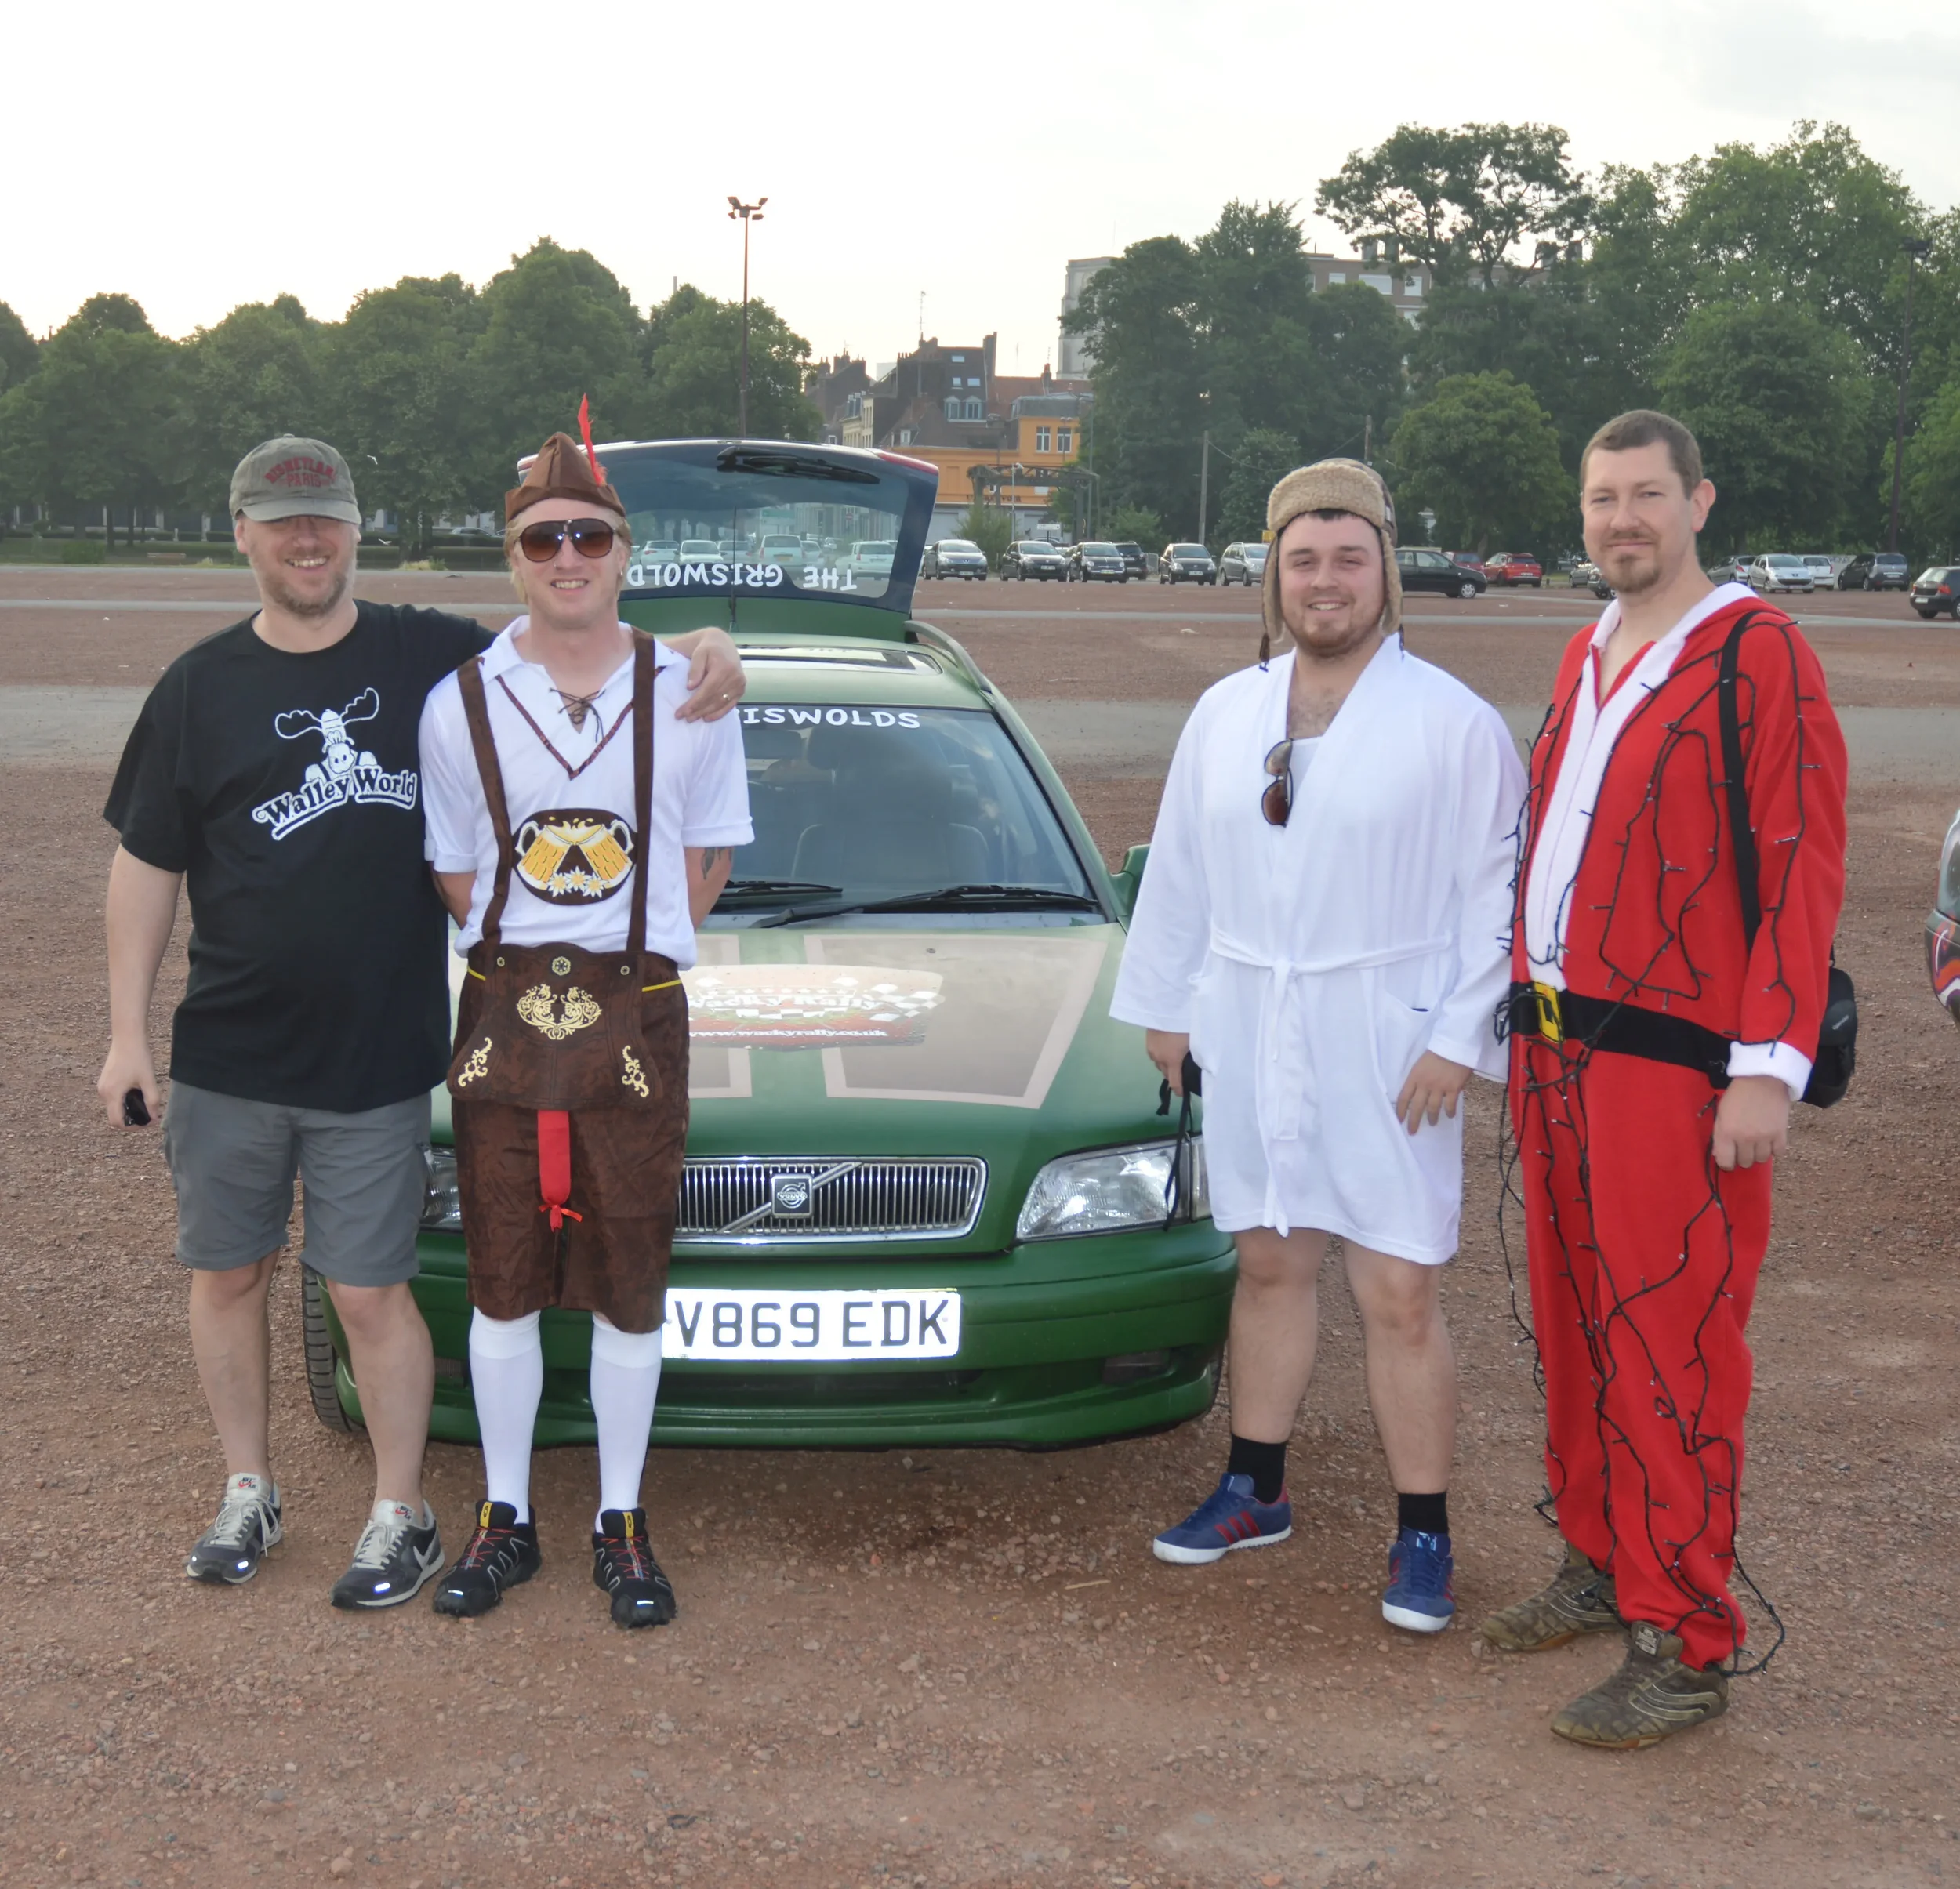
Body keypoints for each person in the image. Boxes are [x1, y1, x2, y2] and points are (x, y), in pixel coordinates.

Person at [96, 434, 744, 1609]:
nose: (307, 541)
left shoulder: (430, 655)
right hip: (247, 1041)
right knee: (254, 1272)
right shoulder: (214, 686)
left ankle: (463, 1512)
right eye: (283, 521)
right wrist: (125, 1034)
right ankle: (271, 1488)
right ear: (241, 531)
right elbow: (153, 865)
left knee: (400, 1288)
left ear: (355, 529)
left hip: (398, 1048)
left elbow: (655, 775)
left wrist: (710, 645)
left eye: (327, 520)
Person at [1484, 410, 1848, 1747]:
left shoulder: (1758, 652)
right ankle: (1602, 1560)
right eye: (1600, 497)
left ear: (1701, 500)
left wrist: (1768, 1068)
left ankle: (1686, 1633)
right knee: (1579, 1328)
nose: (1621, 518)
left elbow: (1801, 862)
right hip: (1558, 1047)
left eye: (1646, 494)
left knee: (1673, 1343)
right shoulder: (1591, 650)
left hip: (1677, 1068)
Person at [1110, 459, 1525, 1632]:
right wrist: (1168, 1003)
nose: (1326, 581)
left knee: (1396, 1284)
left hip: (1391, 1035)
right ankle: (1257, 1484)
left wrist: (1458, 1035)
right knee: (1270, 1258)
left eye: (1349, 557)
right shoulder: (1226, 713)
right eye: (1304, 559)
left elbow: (1498, 895)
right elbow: (1179, 866)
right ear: (1273, 574)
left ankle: (1425, 1531)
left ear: (1387, 570)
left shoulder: (1452, 724)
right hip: (1250, 1017)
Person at [419, 431, 751, 1629]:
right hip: (504, 1003)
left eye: (589, 534)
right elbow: (457, 872)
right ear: (511, 560)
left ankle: (621, 1518)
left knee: (629, 1272)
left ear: (624, 552)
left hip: (641, 1008)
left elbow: (705, 860)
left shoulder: (693, 689)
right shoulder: (459, 703)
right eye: (541, 538)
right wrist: (544, 960)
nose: (568, 556)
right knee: (502, 1276)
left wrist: (624, 958)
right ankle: (505, 1515)